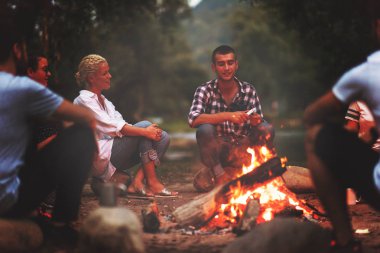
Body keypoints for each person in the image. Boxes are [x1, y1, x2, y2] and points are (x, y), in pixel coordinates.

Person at [0, 6, 97, 246]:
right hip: (9, 201)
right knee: (82, 134)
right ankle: (61, 224)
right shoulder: (22, 88)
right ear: (17, 50)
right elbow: (85, 117)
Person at [304, 19, 380, 253]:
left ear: (377, 27)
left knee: (317, 136)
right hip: (372, 148)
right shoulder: (358, 104)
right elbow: (352, 130)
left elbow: (311, 115)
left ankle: (345, 240)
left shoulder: (366, 74)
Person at [73, 54, 177, 197]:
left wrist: (146, 132)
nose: (109, 76)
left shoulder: (105, 101)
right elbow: (110, 126)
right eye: (105, 73)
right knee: (144, 127)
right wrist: (145, 131)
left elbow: (122, 124)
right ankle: (152, 182)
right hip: (99, 156)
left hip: (114, 151)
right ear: (91, 78)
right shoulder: (83, 100)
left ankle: (137, 183)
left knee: (163, 137)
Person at [188, 45, 274, 190]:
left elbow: (260, 123)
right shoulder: (204, 90)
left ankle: (259, 172)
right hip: (219, 150)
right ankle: (220, 175)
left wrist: (256, 121)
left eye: (230, 63)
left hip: (244, 149)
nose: (226, 68)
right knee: (204, 130)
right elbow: (193, 119)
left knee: (266, 128)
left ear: (236, 65)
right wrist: (227, 116)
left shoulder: (248, 90)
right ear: (213, 67)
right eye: (221, 64)